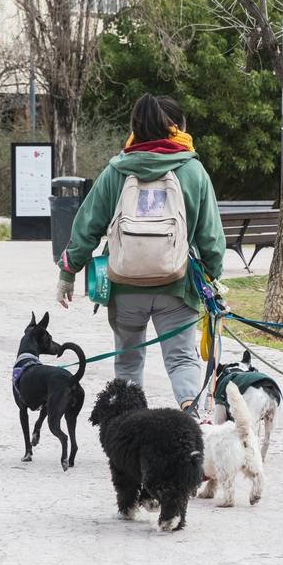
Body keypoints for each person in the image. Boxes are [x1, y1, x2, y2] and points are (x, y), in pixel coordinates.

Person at [55, 94, 226, 411]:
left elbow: (87, 224)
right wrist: (213, 280)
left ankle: (129, 433)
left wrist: (68, 272)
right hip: (178, 287)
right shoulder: (193, 171)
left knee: (128, 363)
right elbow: (211, 236)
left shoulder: (117, 170)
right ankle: (191, 419)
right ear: (177, 129)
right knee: (182, 360)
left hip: (125, 287)